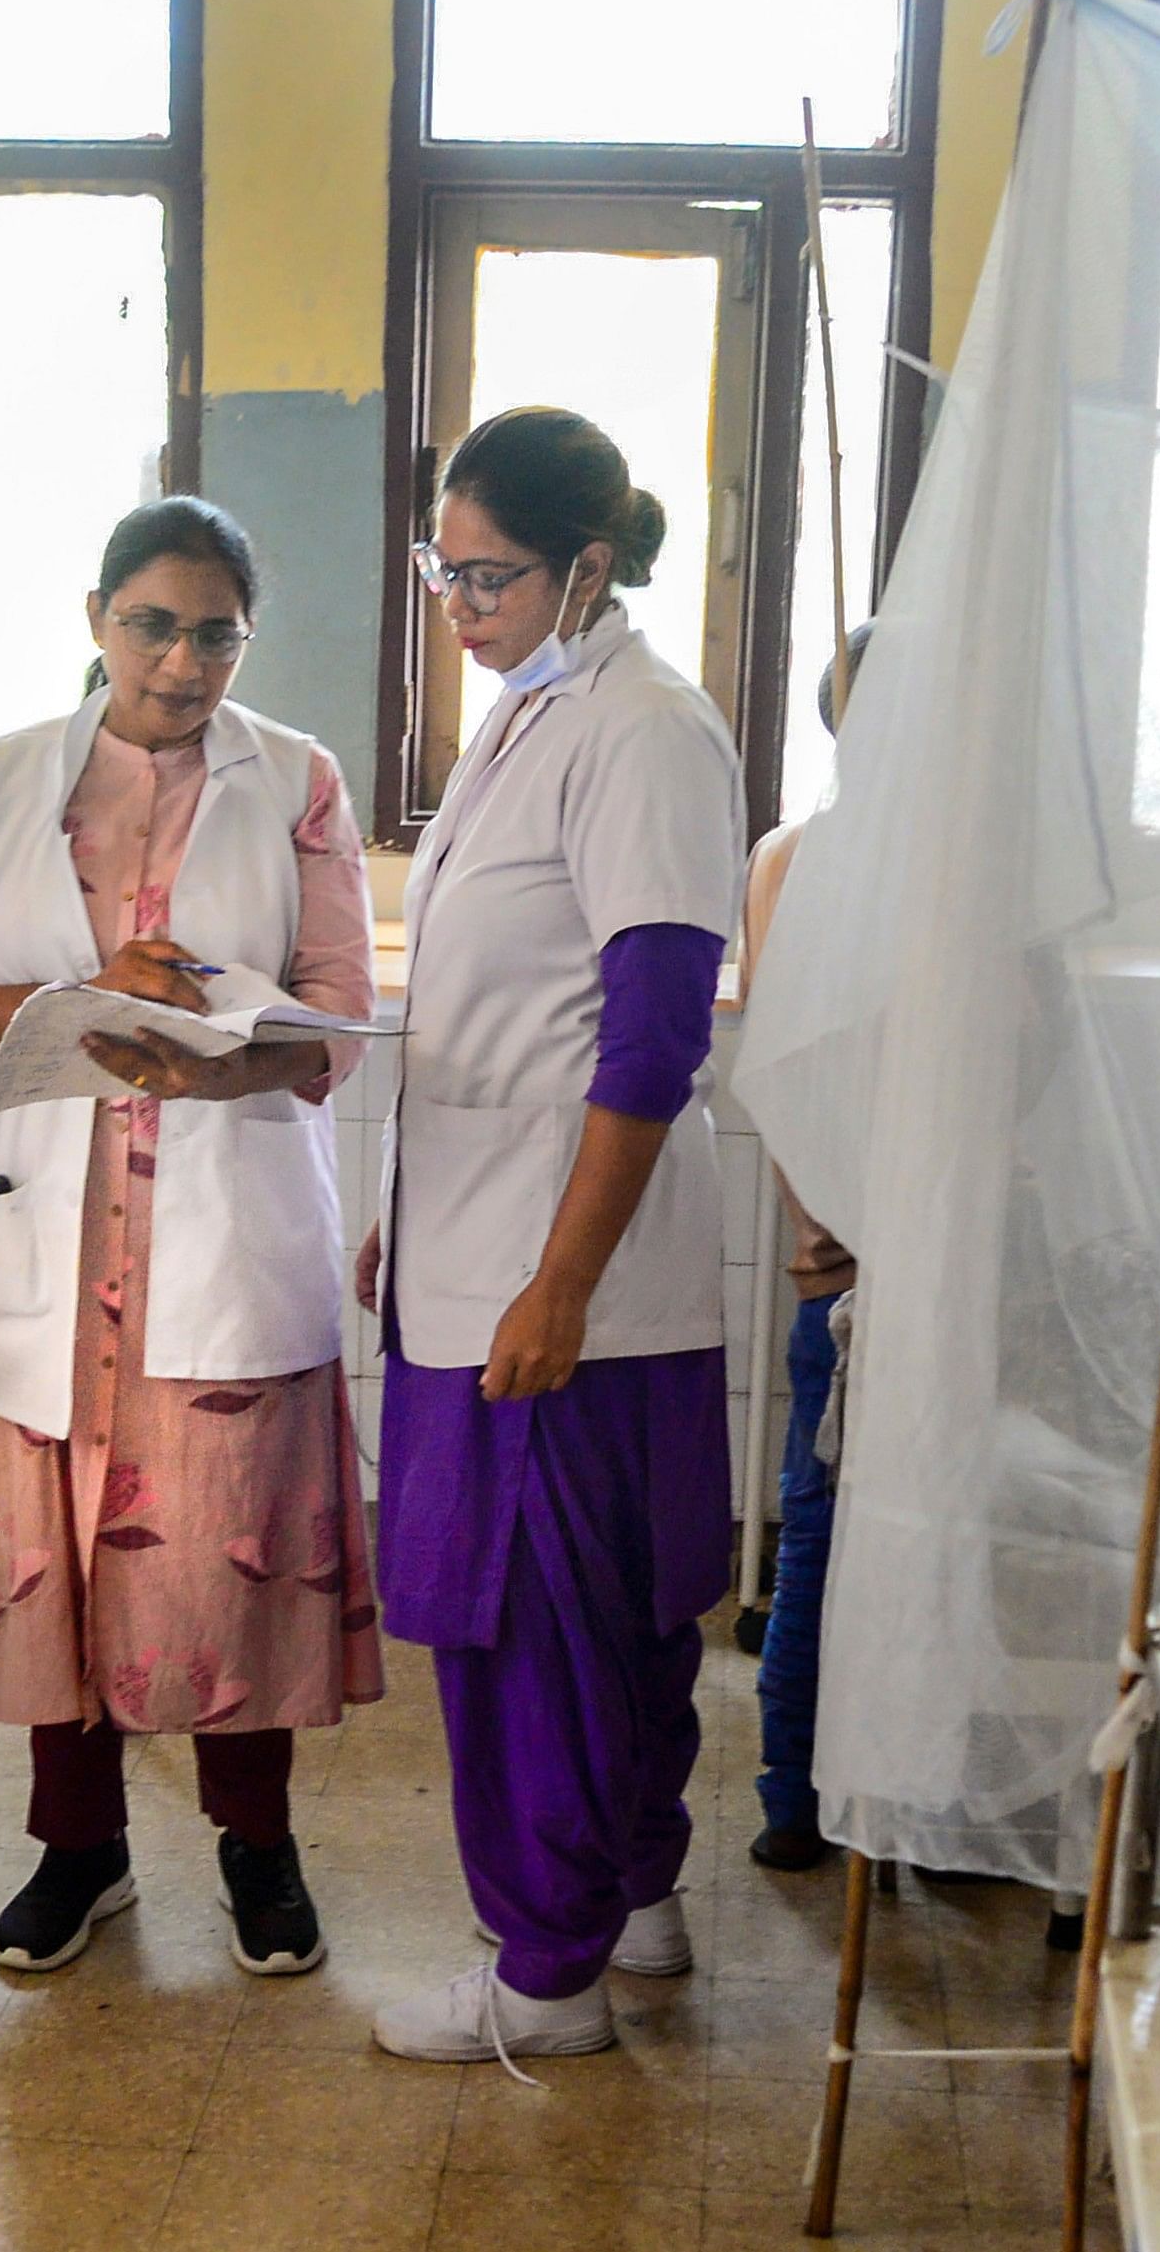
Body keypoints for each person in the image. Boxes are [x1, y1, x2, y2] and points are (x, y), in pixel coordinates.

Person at [0, 496, 383, 1978]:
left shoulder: (295, 779)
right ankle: (78, 1850)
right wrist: (76, 1003)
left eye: (215, 633)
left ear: (245, 639)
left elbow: (339, 1008)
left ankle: (256, 1845)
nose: (181, 662)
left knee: (224, 1558)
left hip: (217, 1231)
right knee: (52, 1559)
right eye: (151, 625)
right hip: (53, 1232)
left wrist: (240, 1056)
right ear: (95, 619)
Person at [362, 409, 746, 2064]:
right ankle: (633, 1903)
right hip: (500, 1245)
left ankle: (544, 1976)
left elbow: (651, 1037)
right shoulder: (532, 714)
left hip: (556, 1273)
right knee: (618, 1615)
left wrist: (555, 1285)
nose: (458, 600)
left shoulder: (642, 730)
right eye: (441, 570)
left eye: (490, 572)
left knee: (539, 1635)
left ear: (587, 564)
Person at [742, 627, 867, 1875]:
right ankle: (832, 1787)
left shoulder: (781, 854)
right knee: (865, 1526)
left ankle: (791, 1792)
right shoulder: (908, 871)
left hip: (822, 1234)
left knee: (813, 1521)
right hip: (875, 1247)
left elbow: (773, 1070)